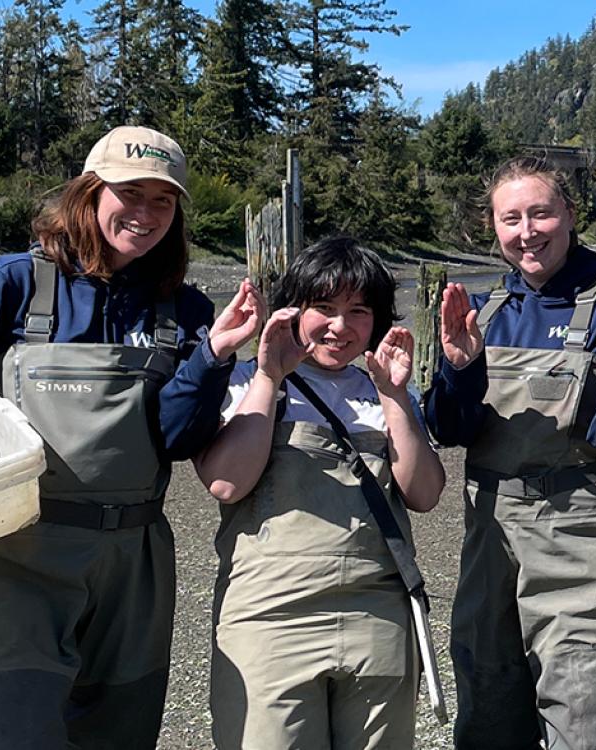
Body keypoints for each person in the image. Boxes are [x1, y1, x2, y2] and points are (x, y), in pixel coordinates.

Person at [0, 126, 250, 748]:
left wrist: (213, 358)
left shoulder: (186, 310)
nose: (145, 212)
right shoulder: (10, 286)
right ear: (88, 193)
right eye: (128, 192)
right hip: (18, 555)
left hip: (135, 566)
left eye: (162, 200)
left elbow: (176, 439)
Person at [423, 156, 596, 749]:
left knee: (588, 716)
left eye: (541, 213)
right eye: (512, 218)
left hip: (588, 534)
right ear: (493, 226)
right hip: (491, 533)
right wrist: (458, 368)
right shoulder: (482, 311)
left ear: (569, 215)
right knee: (487, 708)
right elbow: (447, 428)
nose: (528, 231)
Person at [196, 237, 444, 748]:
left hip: (377, 613)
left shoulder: (387, 390)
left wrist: (395, 396)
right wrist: (269, 374)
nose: (340, 326)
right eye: (324, 308)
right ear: (293, 310)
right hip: (268, 617)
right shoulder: (246, 383)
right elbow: (226, 482)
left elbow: (424, 493)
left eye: (358, 311)